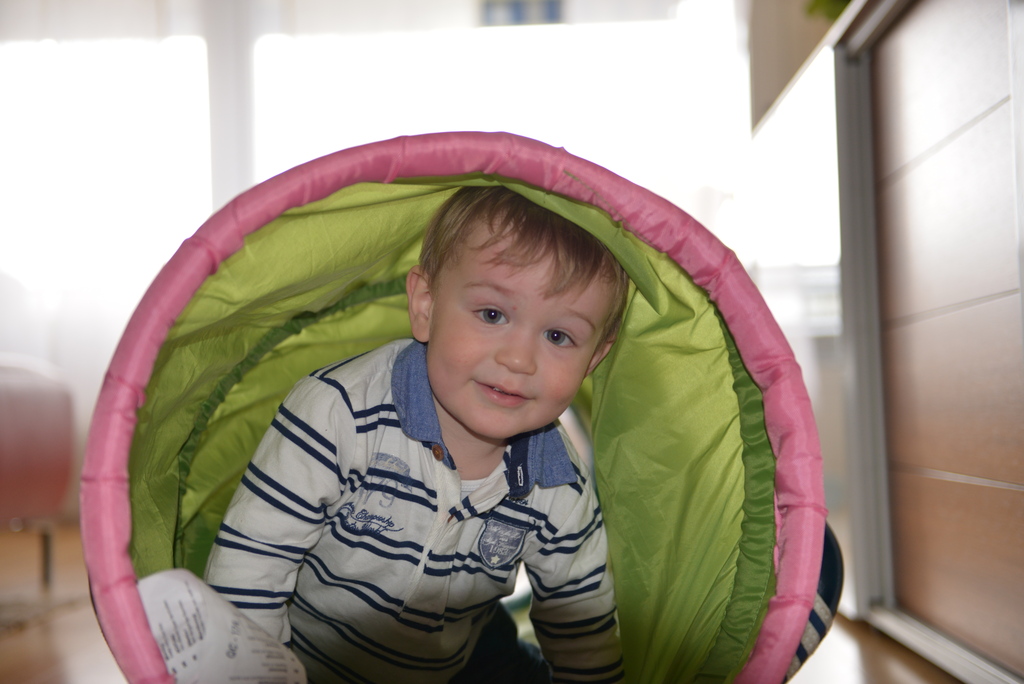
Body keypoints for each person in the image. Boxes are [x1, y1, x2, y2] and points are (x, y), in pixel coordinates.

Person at [204, 186, 629, 683]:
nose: (519, 359)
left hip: (459, 656)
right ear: (426, 306)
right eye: (492, 314)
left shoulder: (558, 483)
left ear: (594, 358)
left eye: (558, 336)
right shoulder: (338, 413)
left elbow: (583, 633)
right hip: (311, 659)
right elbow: (250, 569)